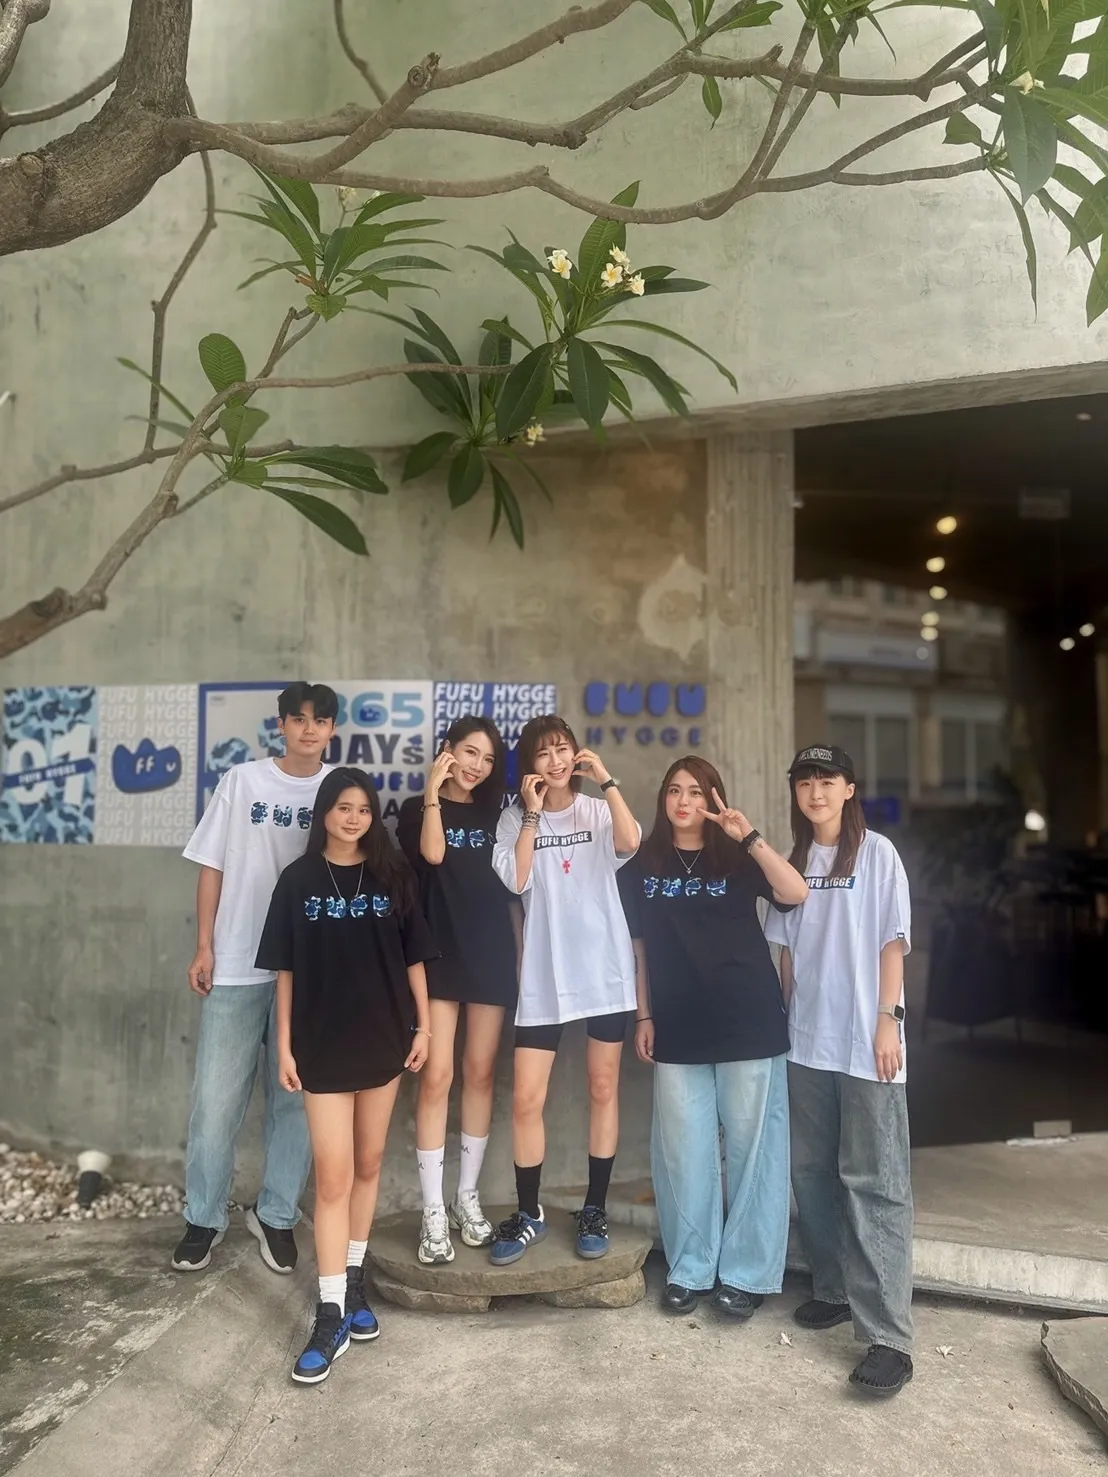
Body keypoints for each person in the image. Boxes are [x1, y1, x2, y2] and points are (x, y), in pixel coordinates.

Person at [256, 767, 436, 1385]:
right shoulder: (298, 880)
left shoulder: (392, 876)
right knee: (332, 1177)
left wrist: (424, 1028)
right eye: (343, 808)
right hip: (322, 1046)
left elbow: (414, 958)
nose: (354, 818)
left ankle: (352, 1279)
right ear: (325, 813)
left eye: (363, 809)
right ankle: (330, 1311)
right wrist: (284, 1047)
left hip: (385, 1039)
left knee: (368, 1163)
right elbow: (284, 970)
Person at [624, 757, 809, 1318]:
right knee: (683, 1152)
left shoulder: (736, 856)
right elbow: (638, 949)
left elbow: (795, 891)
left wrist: (747, 835)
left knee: (755, 1152)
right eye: (674, 790)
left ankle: (748, 1275)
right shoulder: (641, 865)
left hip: (747, 1018)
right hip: (677, 1024)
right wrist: (644, 1015)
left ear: (714, 799)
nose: (684, 801)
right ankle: (691, 1268)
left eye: (696, 792)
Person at [763, 744, 915, 1399]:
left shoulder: (878, 854)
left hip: (866, 1042)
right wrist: (783, 1025)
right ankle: (832, 1288)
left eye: (827, 781)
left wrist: (888, 1019)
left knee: (874, 1180)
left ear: (850, 788)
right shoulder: (791, 863)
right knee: (812, 1172)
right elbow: (786, 957)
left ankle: (889, 1337)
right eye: (805, 782)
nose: (816, 792)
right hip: (807, 1044)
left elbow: (892, 942)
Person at [172, 681, 337, 1276]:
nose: (309, 730)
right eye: (299, 719)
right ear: (282, 725)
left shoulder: (338, 789)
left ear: (332, 730)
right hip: (238, 962)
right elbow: (212, 865)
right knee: (215, 1102)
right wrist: (204, 946)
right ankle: (202, 1217)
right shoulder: (242, 782)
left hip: (310, 972)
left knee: (295, 1101)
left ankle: (277, 1214)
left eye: (320, 721)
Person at [490, 715, 641, 1266]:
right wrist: (532, 814)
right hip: (545, 974)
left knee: (603, 1088)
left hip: (604, 969)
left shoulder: (598, 810)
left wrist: (607, 780)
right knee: (526, 1099)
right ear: (529, 764)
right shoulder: (513, 819)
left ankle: (594, 1208)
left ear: (576, 755)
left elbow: (631, 842)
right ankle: (529, 1211)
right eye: (543, 753)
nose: (554, 761)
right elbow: (517, 879)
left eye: (563, 750)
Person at [397, 718, 517, 1265]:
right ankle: (432, 1209)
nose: (477, 767)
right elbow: (433, 856)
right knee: (437, 1075)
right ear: (447, 752)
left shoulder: (499, 815)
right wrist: (432, 793)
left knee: (480, 1073)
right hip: (438, 957)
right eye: (469, 753)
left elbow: (513, 888)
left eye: (488, 759)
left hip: (490, 954)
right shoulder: (413, 810)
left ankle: (466, 1196)